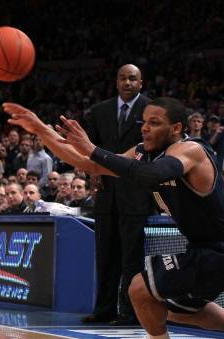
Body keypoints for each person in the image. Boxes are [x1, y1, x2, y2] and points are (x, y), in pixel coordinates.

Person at [3, 97, 224, 339]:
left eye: (154, 122)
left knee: (139, 287)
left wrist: (92, 148)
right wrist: (41, 128)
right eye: (144, 121)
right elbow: (88, 164)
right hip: (208, 250)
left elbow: (152, 175)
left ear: (176, 128)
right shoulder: (143, 152)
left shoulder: (191, 151)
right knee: (178, 311)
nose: (145, 128)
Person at [84, 64, 153, 325]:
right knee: (105, 256)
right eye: (123, 77)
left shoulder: (150, 110)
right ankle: (103, 310)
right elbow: (89, 149)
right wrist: (91, 172)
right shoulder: (100, 111)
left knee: (131, 259)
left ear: (141, 82)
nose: (127, 82)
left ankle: (129, 312)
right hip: (105, 194)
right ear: (116, 81)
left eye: (132, 78)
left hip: (136, 193)